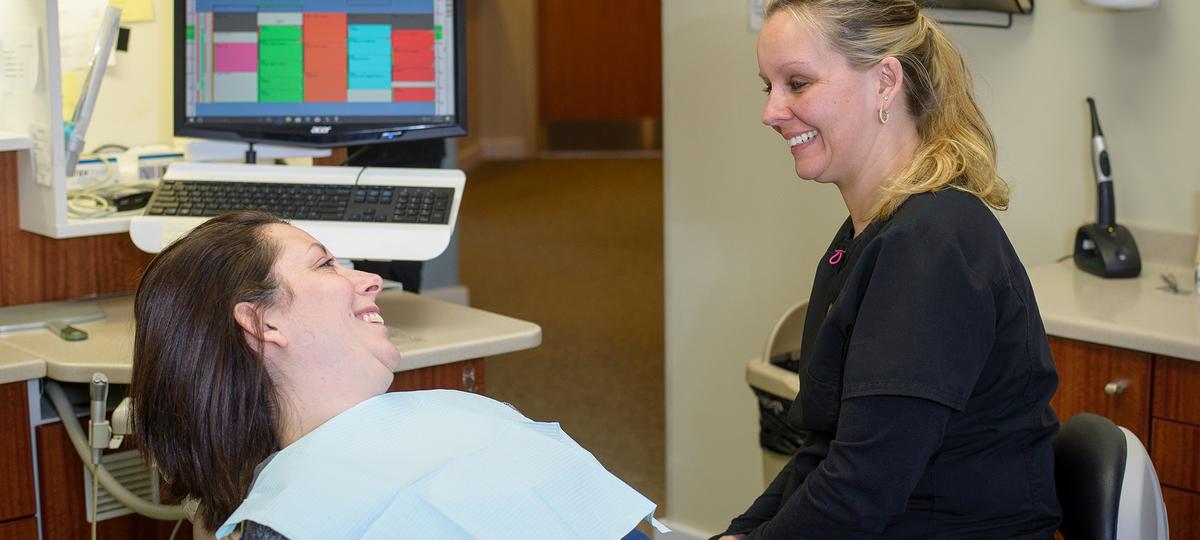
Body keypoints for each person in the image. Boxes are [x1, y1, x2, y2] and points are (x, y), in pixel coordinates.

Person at [716, 1, 1061, 537]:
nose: (772, 112)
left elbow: (859, 490)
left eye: (798, 83)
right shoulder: (868, 235)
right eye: (769, 87)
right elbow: (825, 452)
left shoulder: (932, 247)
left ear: (884, 82)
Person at [130, 211, 661, 539]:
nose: (370, 280)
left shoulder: (464, 411)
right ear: (262, 321)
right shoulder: (290, 521)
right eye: (325, 265)